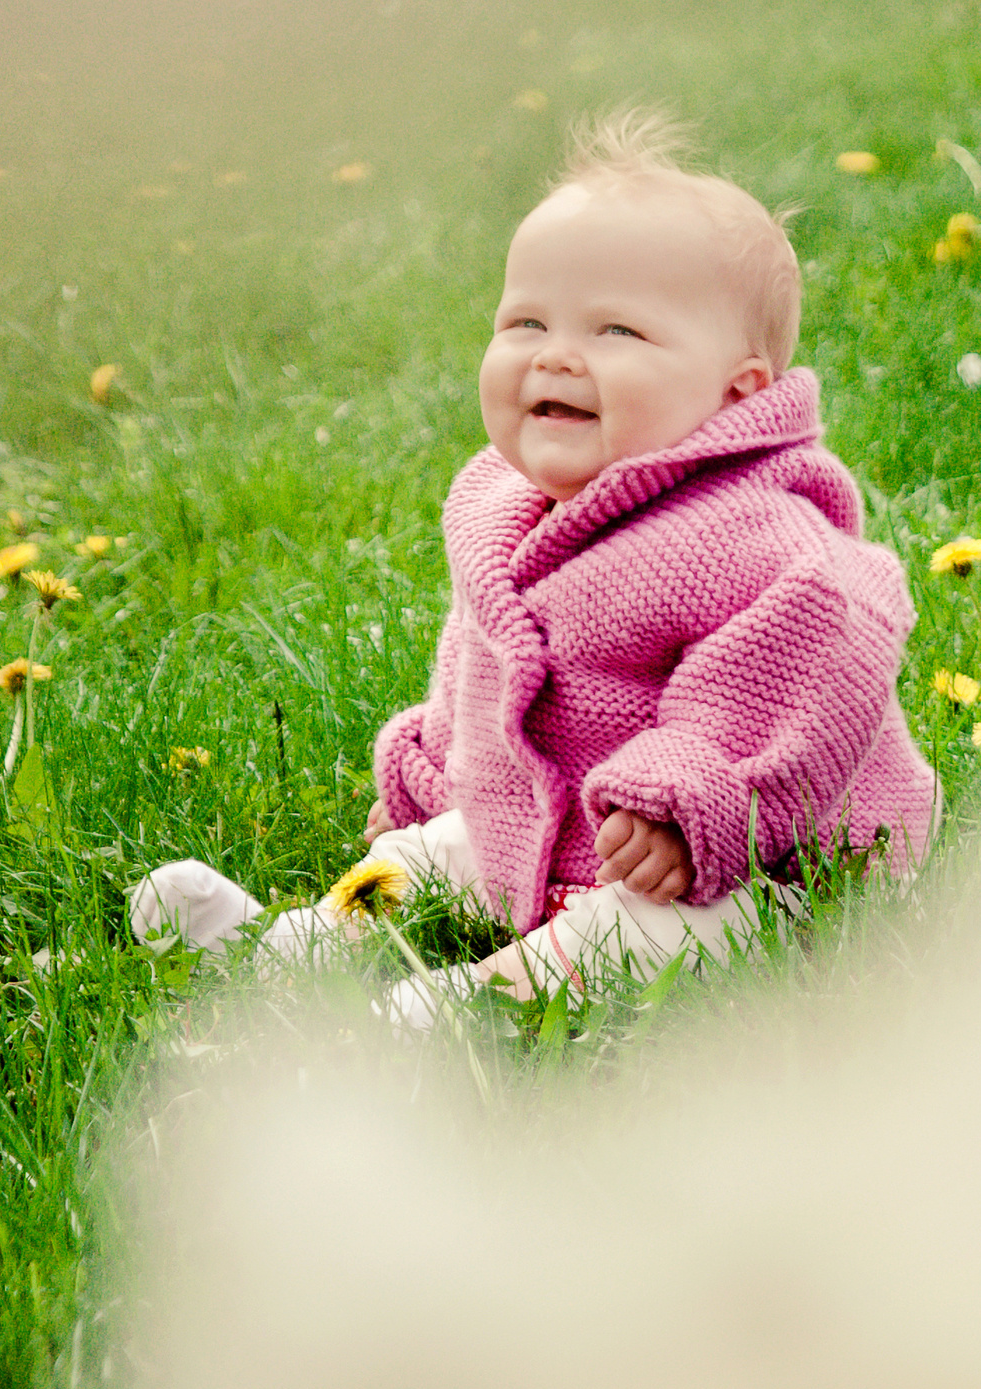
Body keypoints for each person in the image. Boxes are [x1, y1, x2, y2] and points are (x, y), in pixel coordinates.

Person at [130, 111, 938, 1025]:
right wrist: (439, 772)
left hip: (749, 855)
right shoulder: (504, 508)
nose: (555, 354)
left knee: (656, 933)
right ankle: (282, 948)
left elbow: (795, 680)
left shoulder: (765, 541)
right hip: (559, 826)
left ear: (735, 390)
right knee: (437, 853)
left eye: (618, 331)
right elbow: (482, 670)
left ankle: (470, 1009)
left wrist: (687, 806)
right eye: (526, 320)